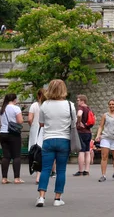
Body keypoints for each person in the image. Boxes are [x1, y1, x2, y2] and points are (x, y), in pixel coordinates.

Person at [36, 79, 75, 207]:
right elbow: (73, 123)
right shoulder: (70, 105)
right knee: (61, 170)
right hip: (64, 140)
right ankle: (57, 199)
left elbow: (41, 123)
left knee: (45, 169)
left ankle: (41, 197)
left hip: (48, 139)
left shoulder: (45, 105)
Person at [95, 99, 114, 182]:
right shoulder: (105, 115)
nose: (111, 106)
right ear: (108, 106)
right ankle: (103, 175)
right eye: (110, 104)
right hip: (106, 137)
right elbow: (101, 126)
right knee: (104, 156)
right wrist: (98, 135)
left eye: (113, 104)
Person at [0, 93, 24, 185]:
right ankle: (17, 178)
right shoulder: (16, 108)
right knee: (16, 156)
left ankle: (4, 178)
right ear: (14, 99)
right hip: (13, 134)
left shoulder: (2, 109)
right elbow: (20, 121)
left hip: (3, 133)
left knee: (6, 156)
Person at [28, 89, 45, 184]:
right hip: (45, 130)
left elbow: (30, 119)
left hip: (35, 129)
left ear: (38, 96)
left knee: (35, 151)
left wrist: (33, 125)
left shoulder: (34, 105)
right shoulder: (48, 105)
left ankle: (35, 169)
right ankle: (43, 172)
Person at [73, 95, 92, 177]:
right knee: (87, 151)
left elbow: (79, 115)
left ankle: (80, 171)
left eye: (78, 100)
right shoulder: (88, 108)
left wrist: (79, 122)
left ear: (82, 101)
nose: (77, 102)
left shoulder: (81, 108)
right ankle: (86, 170)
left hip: (81, 132)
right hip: (88, 132)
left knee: (81, 151)